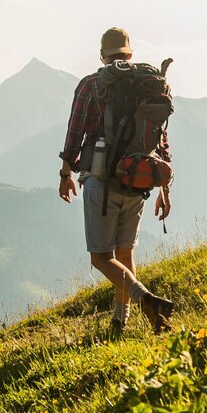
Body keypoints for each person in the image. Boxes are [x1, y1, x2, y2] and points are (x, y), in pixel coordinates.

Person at [59, 26, 178, 335]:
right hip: (139, 180)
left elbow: (75, 133)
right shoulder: (149, 85)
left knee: (101, 258)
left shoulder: (91, 85)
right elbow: (161, 141)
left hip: (101, 180)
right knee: (125, 254)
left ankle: (145, 300)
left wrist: (65, 173)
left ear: (102, 55)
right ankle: (121, 322)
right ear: (129, 54)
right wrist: (164, 190)